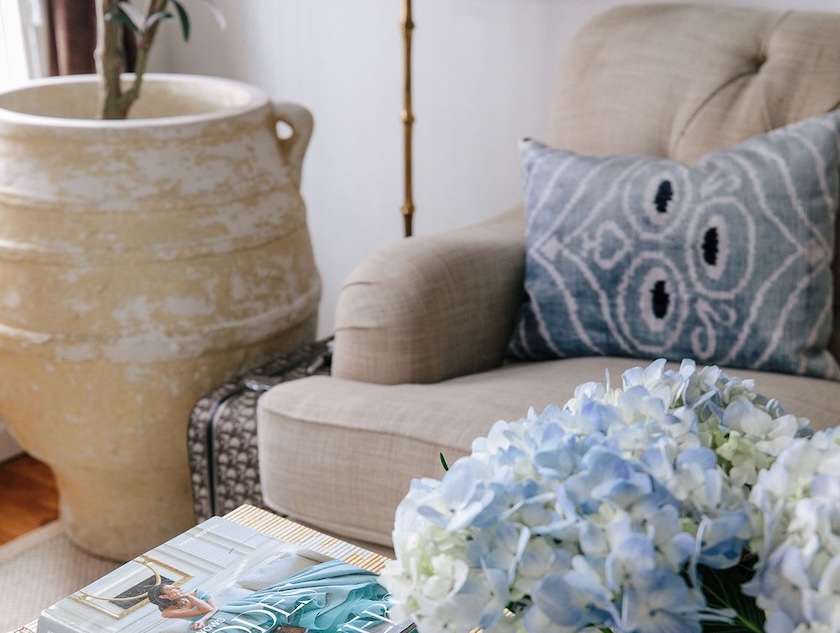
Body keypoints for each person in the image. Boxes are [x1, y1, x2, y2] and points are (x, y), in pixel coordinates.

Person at [146, 559, 394, 633]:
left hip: (224, 612)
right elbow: (201, 614)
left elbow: (210, 607)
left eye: (175, 587)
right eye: (171, 590)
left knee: (277, 608)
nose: (176, 590)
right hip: (216, 622)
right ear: (164, 598)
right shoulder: (168, 611)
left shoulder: (195, 593)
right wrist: (200, 615)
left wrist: (193, 599)